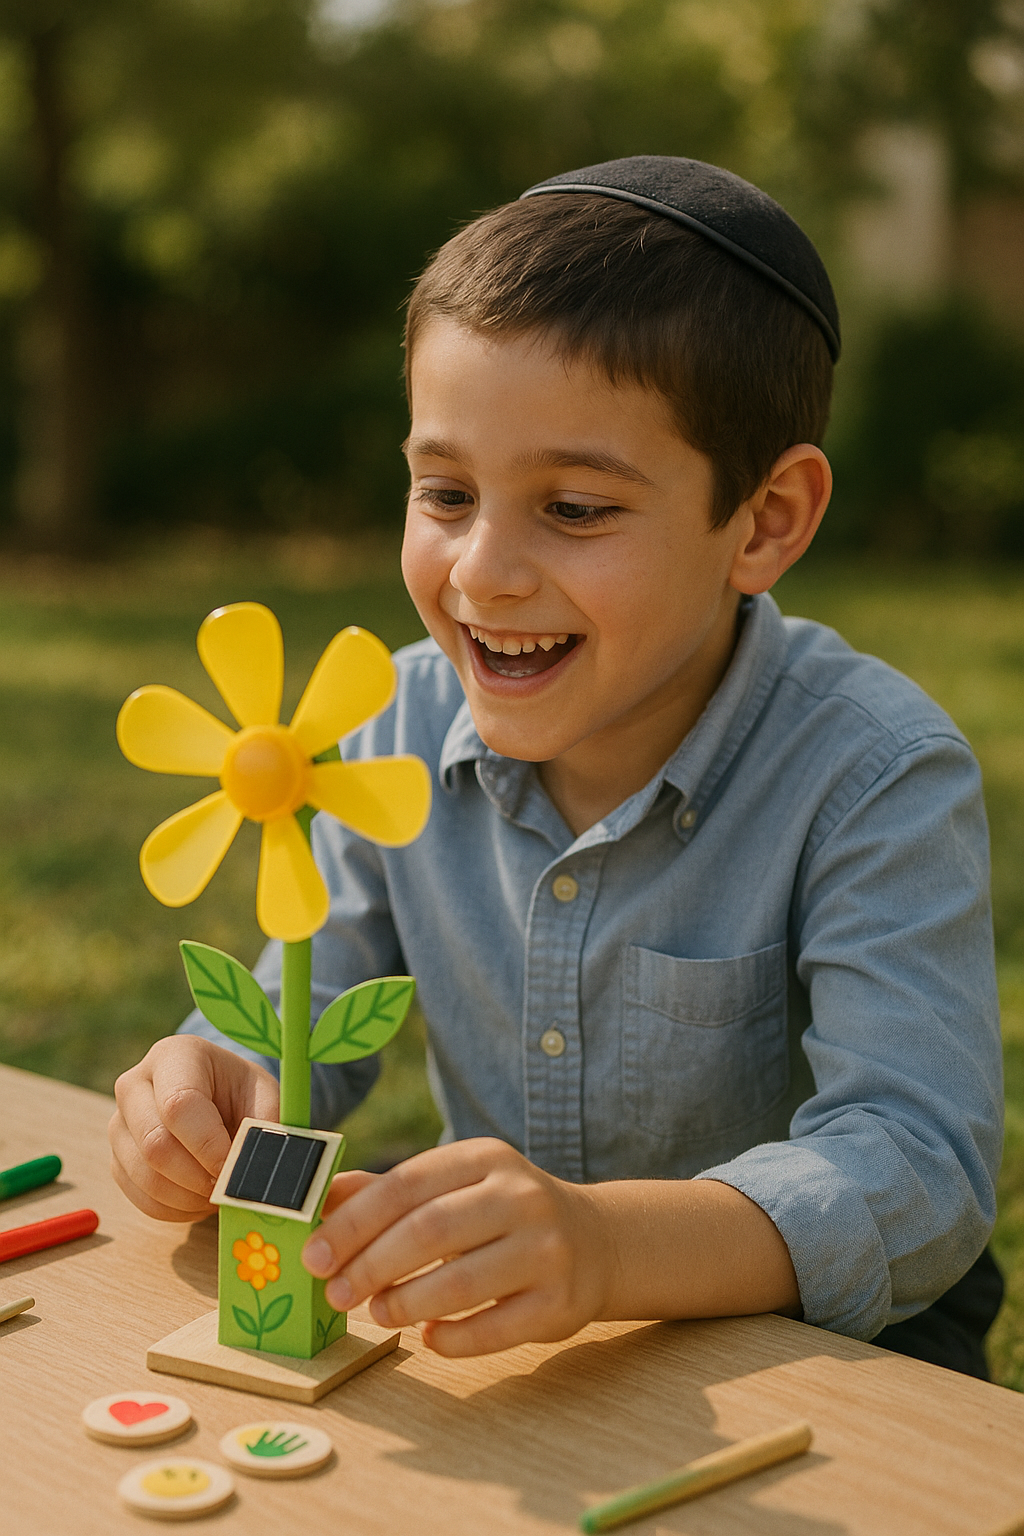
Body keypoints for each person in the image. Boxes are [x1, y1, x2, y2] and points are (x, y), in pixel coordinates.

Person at [108, 156, 1003, 1376]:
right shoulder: (388, 730)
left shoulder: (873, 771)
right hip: (533, 1346)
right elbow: (307, 1017)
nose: (483, 572)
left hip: (825, 1351)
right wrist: (220, 1085)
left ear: (764, 521)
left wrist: (604, 1243)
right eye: (446, 491)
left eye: (576, 509)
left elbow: (914, 1162)